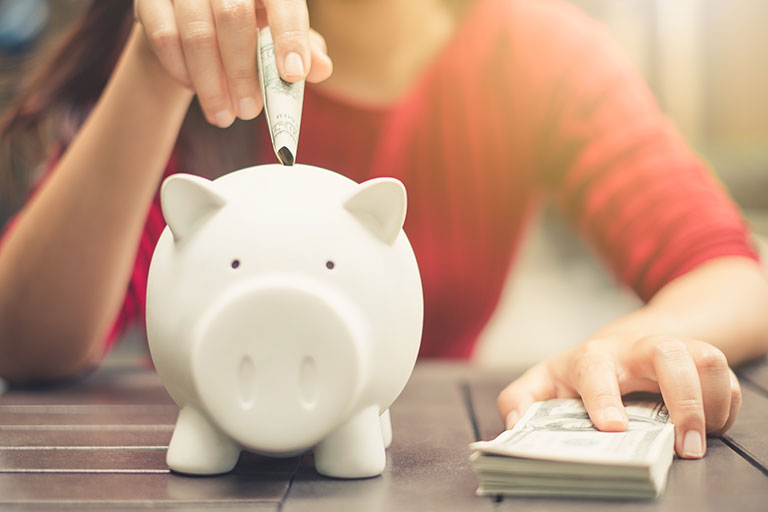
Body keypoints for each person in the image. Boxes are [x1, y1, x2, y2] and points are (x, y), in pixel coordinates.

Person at [1, 0, 767, 462]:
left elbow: (730, 273)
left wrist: (634, 343)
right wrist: (155, 66)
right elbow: (23, 340)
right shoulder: (203, 50)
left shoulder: (538, 53)